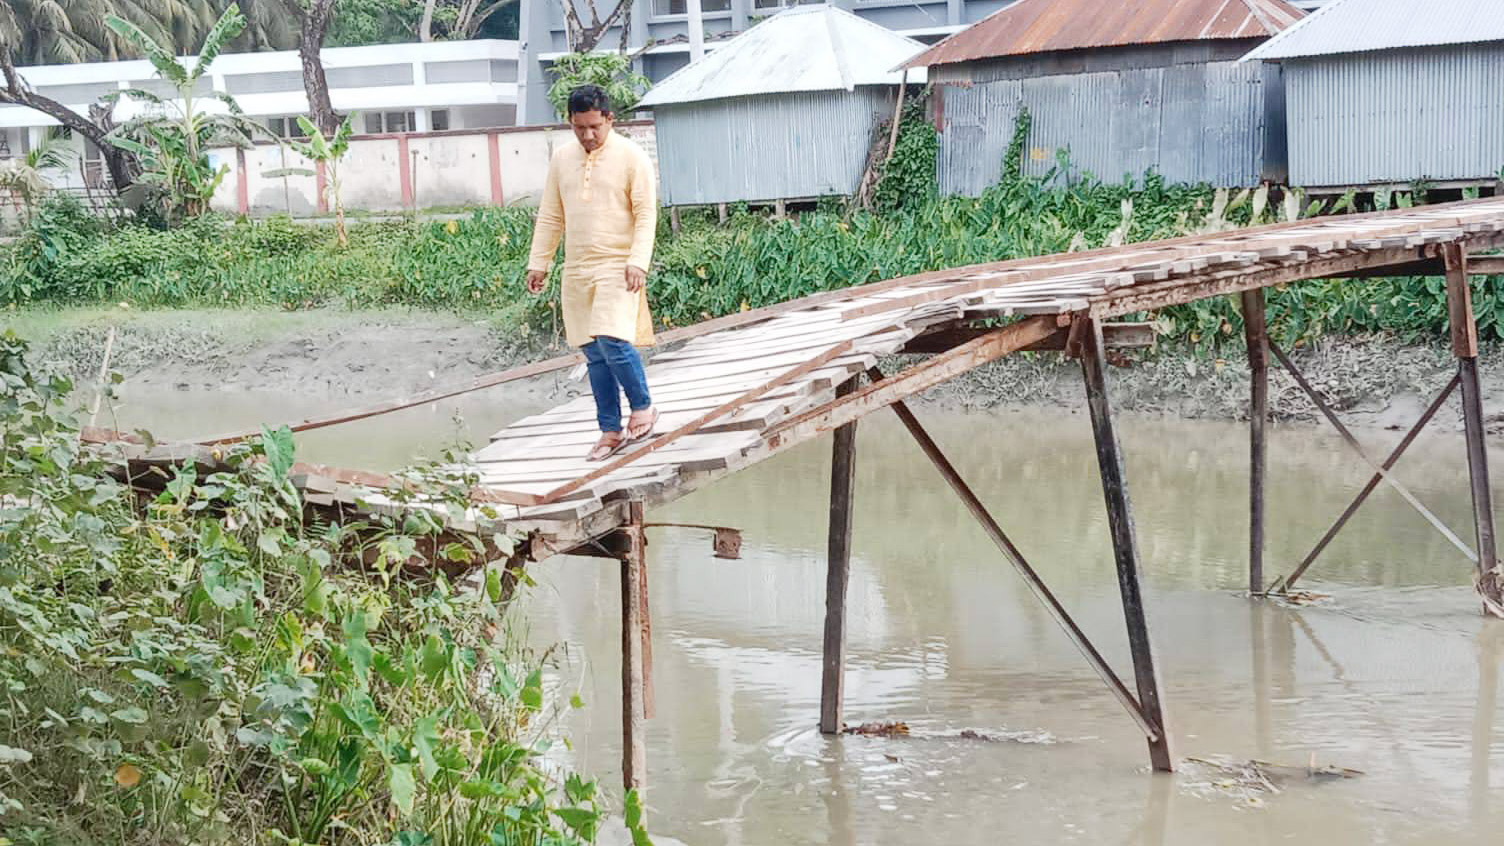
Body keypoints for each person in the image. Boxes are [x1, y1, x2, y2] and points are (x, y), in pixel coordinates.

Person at [526, 84, 660, 461]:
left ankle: (643, 407)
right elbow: (552, 213)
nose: (587, 135)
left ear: (609, 120)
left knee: (614, 339)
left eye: (594, 127)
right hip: (578, 266)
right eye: (579, 127)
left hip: (618, 263)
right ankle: (609, 430)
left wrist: (638, 260)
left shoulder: (632, 157)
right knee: (593, 351)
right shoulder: (562, 159)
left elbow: (646, 213)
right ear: (570, 122)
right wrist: (540, 263)